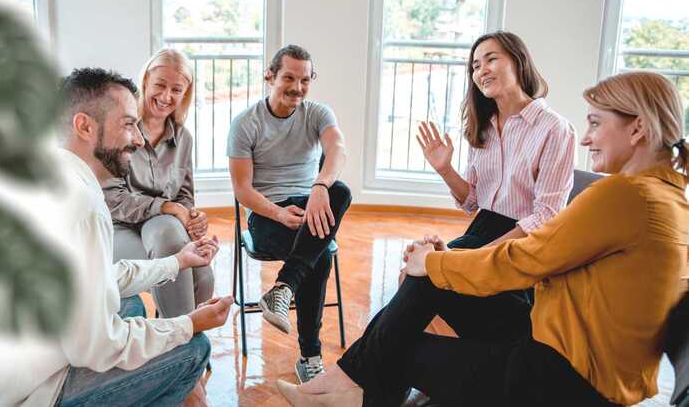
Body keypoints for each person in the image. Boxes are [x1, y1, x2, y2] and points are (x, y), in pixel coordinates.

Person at [277, 71, 689, 406]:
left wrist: (437, 263)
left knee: (400, 346)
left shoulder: (626, 196)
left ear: (637, 128)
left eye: (596, 123)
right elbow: (532, 251)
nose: (586, 137)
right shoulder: (666, 198)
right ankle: (345, 386)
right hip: (566, 344)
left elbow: (528, 258)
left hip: (565, 377)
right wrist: (443, 263)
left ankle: (349, 389)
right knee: (425, 283)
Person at [0, 68, 232, 406]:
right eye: (129, 124)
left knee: (130, 304)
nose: (139, 138)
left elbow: (96, 278)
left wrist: (176, 262)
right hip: (28, 391)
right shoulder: (84, 205)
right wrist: (187, 324)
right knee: (194, 349)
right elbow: (98, 346)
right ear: (85, 126)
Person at [228, 44, 352, 383]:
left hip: (311, 204)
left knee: (340, 191)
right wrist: (280, 215)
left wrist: (320, 187)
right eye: (289, 78)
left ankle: (283, 288)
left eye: (305, 79)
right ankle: (310, 357)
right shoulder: (245, 124)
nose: (297, 87)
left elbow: (337, 150)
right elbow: (243, 191)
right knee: (321, 252)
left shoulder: (317, 113)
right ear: (270, 76)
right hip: (267, 215)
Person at [417, 31, 576, 251]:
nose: (482, 70)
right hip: (481, 231)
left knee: (424, 273)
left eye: (491, 59)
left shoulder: (555, 129)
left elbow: (546, 216)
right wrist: (445, 170)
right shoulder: (483, 127)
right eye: (476, 66)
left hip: (524, 245)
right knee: (413, 271)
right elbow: (472, 203)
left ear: (518, 62)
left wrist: (477, 258)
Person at [103, 49, 213, 318]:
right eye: (160, 85)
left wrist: (192, 217)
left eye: (176, 90)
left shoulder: (183, 138)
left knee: (204, 279)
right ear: (145, 83)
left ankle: (177, 336)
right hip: (120, 228)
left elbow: (184, 196)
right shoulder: (120, 130)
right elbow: (112, 199)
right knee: (168, 237)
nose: (166, 97)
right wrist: (168, 208)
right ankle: (179, 339)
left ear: (184, 94)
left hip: (166, 227)